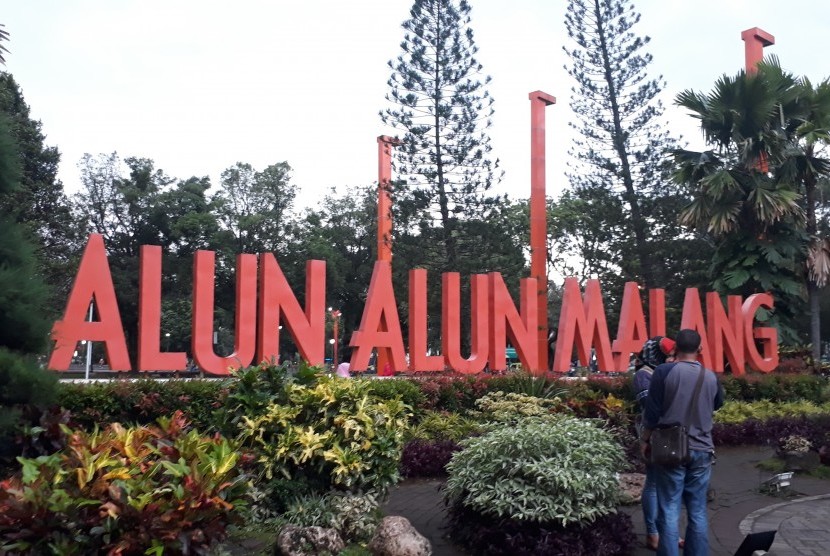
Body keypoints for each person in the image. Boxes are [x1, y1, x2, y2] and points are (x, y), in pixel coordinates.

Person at [641, 329, 724, 556]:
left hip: (670, 446)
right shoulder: (710, 376)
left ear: (675, 348)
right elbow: (718, 404)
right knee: (697, 510)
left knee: (669, 508)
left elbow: (652, 412)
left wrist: (645, 440)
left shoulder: (663, 372)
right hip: (703, 448)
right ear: (700, 349)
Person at [632, 336, 676, 551]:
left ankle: (666, 533)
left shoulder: (660, 372)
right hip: (655, 434)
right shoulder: (644, 374)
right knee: (655, 483)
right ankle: (653, 533)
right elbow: (650, 407)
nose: (670, 358)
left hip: (668, 433)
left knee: (666, 484)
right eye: (666, 355)